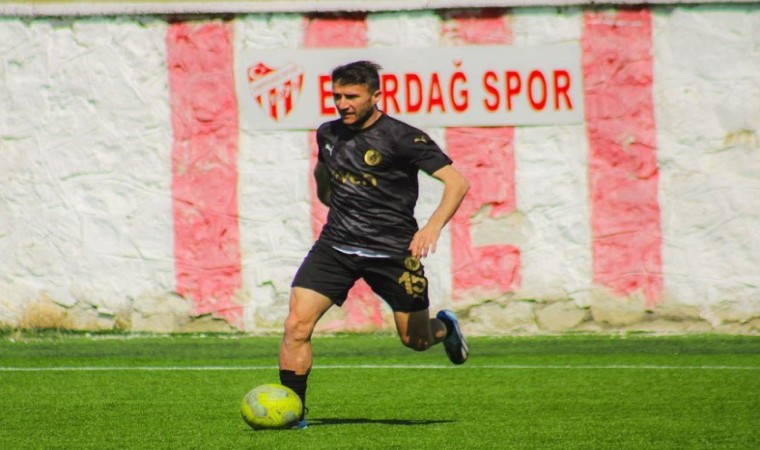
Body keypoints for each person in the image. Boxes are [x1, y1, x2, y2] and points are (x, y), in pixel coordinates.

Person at [279, 60, 470, 430]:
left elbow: (457, 182)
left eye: (352, 96)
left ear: (376, 95)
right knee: (296, 325)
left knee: (415, 339)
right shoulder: (328, 133)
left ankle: (445, 328)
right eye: (337, 96)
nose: (343, 104)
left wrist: (431, 228)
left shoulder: (402, 137)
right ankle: (292, 412)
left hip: (393, 252)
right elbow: (324, 172)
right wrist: (328, 192)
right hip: (336, 247)